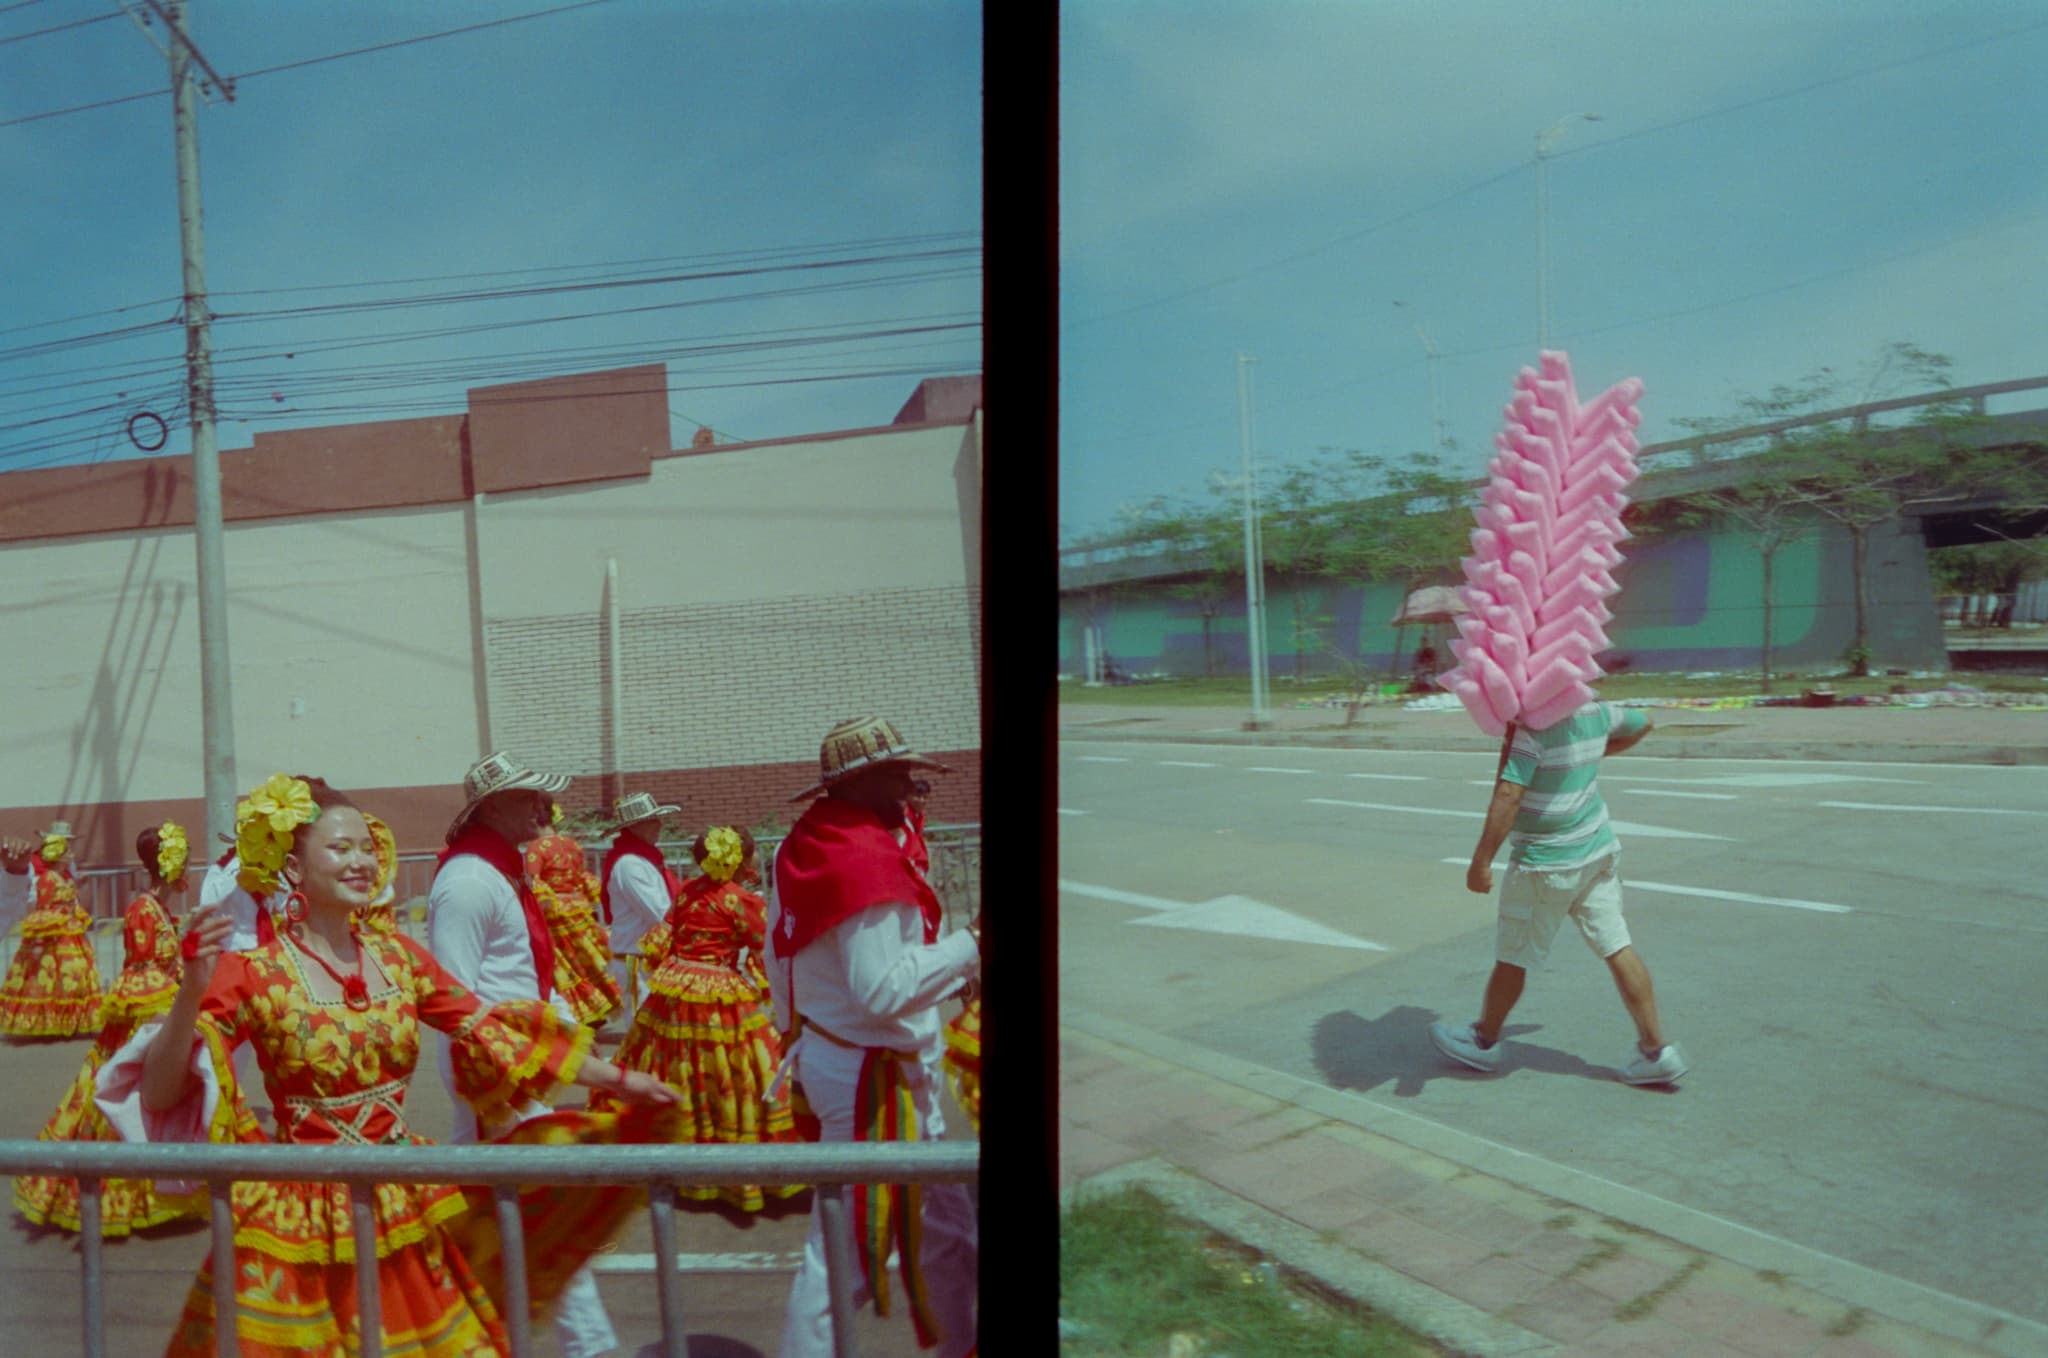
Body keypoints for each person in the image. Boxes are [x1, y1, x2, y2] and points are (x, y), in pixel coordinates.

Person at [96, 772, 681, 1358]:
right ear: (293, 868)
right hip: (300, 1217)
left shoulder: (399, 959)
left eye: (366, 848)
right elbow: (161, 1092)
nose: (361, 862)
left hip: (399, 1199)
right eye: (340, 848)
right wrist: (191, 990)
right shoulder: (252, 973)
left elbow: (492, 1029)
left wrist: (620, 1080)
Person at [767, 716, 982, 1358]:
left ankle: (961, 1344)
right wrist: (972, 945)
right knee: (846, 1258)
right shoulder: (863, 860)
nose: (911, 785)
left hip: (856, 1058)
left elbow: (782, 956)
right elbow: (883, 990)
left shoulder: (810, 841)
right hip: (874, 1078)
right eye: (896, 774)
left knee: (949, 1233)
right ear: (857, 784)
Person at [428, 753, 628, 1358]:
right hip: (496, 1072)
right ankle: (588, 1346)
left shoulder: (501, 869)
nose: (544, 807)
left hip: (519, 1061)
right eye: (528, 797)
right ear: (491, 808)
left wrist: (564, 1039)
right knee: (542, 1212)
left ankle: (453, 1328)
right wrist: (502, 1071)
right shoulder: (468, 880)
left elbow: (527, 974)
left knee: (502, 1215)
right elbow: (453, 996)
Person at [1430, 700, 1689, 1085]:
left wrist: (1481, 861)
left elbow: (1509, 794)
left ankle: (1483, 1041)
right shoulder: (1597, 711)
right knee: (1617, 945)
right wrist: (1593, 753)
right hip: (1596, 850)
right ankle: (1656, 1050)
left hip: (1545, 864)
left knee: (1514, 956)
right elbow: (1644, 722)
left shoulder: (1531, 729)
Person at [13, 822, 219, 1234]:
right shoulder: (142, 909)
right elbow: (140, 973)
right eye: (183, 861)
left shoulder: (161, 909)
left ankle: (164, 1187)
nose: (187, 869)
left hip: (163, 1017)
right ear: (172, 865)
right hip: (143, 1021)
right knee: (127, 1101)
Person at [594, 824, 802, 1212]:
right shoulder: (743, 901)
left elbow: (661, 941)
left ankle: (670, 1153)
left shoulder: (689, 889)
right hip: (718, 995)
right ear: (741, 860)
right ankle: (727, 1163)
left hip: (673, 990)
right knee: (734, 1070)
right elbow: (766, 954)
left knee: (676, 1066)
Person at [0, 819, 103, 1038]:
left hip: (69, 933)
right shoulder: (44, 876)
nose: (71, 853)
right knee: (48, 979)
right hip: (53, 934)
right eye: (66, 848)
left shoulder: (65, 872)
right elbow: (41, 905)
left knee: (71, 978)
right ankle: (46, 1022)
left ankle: (68, 1021)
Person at [525, 804, 623, 1028]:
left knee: (566, 965)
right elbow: (582, 875)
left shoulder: (536, 848)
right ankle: (597, 1006)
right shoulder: (572, 843)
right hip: (579, 907)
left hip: (555, 914)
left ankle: (581, 1012)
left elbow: (532, 882)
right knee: (587, 960)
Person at [598, 792, 682, 1013]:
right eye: (651, 821)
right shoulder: (630, 864)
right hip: (637, 962)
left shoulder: (646, 859)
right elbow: (659, 913)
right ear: (634, 827)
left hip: (650, 959)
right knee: (641, 1029)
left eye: (658, 819)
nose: (659, 825)